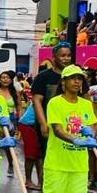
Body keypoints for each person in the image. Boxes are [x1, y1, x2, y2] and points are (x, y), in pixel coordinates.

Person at [25, 65, 97, 193]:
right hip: (57, 161)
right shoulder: (55, 103)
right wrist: (76, 140)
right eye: (72, 78)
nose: (77, 82)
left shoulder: (85, 104)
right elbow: (57, 130)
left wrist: (90, 132)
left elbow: (92, 125)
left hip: (79, 164)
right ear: (63, 82)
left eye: (79, 79)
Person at [31, 42, 73, 180]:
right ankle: (46, 187)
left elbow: (85, 100)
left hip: (71, 124)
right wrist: (43, 123)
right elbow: (37, 100)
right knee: (48, 155)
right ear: (54, 57)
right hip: (49, 124)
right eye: (63, 56)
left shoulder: (76, 76)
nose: (66, 58)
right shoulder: (43, 77)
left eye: (68, 55)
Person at [0, 70, 23, 178]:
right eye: (2, 77)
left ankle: (11, 164)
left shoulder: (14, 92)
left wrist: (20, 121)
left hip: (10, 121)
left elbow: (19, 107)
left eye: (7, 77)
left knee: (8, 146)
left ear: (11, 80)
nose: (5, 79)